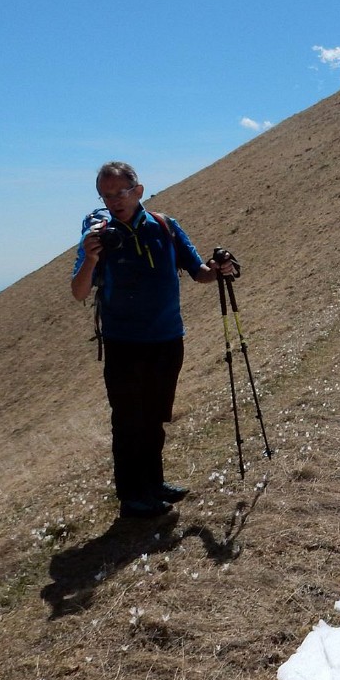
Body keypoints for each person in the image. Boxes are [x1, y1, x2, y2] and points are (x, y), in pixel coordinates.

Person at [70, 161, 234, 520]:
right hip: (123, 342)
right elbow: (79, 292)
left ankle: (154, 483)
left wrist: (217, 268)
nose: (114, 200)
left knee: (155, 417)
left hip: (167, 338)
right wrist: (90, 258)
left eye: (121, 192)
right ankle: (132, 497)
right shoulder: (98, 236)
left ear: (138, 191)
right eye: (107, 195)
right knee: (128, 420)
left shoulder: (165, 226)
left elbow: (199, 273)